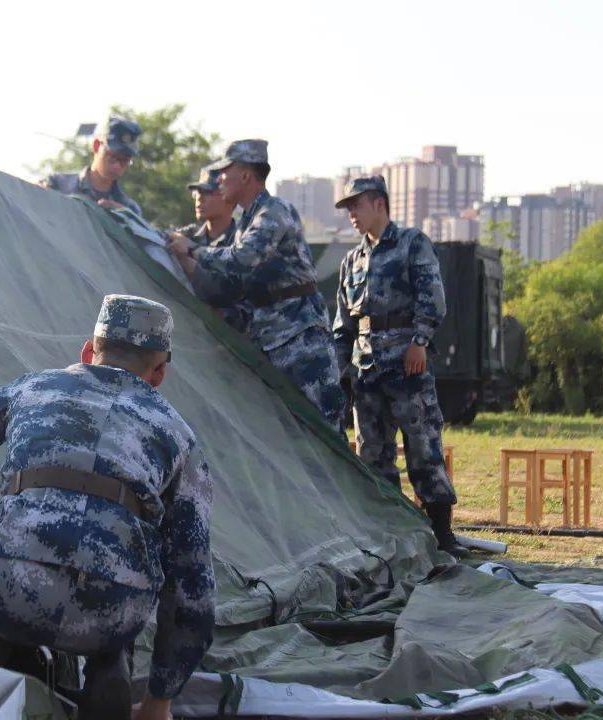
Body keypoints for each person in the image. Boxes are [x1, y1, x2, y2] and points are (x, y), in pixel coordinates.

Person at [0, 295, 214, 720]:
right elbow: (194, 588)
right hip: (109, 612)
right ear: (160, 373)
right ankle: (107, 661)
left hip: (0, 583)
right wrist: (159, 700)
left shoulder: (32, 387)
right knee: (128, 545)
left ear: (88, 351)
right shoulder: (181, 439)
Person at [167, 140, 345, 433]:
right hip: (271, 336)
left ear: (247, 176)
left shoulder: (274, 211)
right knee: (284, 431)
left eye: (226, 171)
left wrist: (193, 251)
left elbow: (242, 259)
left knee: (322, 428)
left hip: (300, 337)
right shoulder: (247, 221)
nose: (220, 178)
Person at [332, 175, 463, 556]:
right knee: (373, 455)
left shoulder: (411, 244)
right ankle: (387, 534)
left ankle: (442, 535)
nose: (351, 214)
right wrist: (341, 369)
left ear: (378, 203)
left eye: (356, 205)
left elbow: (432, 297)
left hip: (407, 364)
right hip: (367, 370)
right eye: (348, 208)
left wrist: (420, 340)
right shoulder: (351, 261)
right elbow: (343, 323)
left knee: (423, 447)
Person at [170, 166, 250, 333]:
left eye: (207, 192)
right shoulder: (187, 236)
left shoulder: (244, 245)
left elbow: (230, 296)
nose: (199, 198)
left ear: (229, 198)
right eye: (197, 192)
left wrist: (190, 265)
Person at [40, 116, 144, 215]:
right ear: (97, 146)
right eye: (112, 157)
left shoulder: (129, 209)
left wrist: (123, 218)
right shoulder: (56, 184)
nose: (117, 166)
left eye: (124, 161)